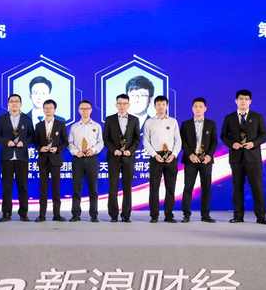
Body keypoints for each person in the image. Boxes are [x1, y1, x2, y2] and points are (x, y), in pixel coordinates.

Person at [220, 89, 266, 225]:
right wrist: (232, 144)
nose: (243, 101)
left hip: (253, 158)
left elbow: (264, 135)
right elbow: (223, 135)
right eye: (241, 99)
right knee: (237, 188)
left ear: (250, 101)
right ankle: (238, 216)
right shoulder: (229, 118)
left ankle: (261, 217)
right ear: (236, 101)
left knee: (257, 188)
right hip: (236, 158)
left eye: (246, 99)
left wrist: (253, 143)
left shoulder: (257, 116)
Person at [0, 94, 34, 222]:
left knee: (23, 187)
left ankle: (23, 213)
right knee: (7, 187)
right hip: (7, 157)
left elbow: (32, 136)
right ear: (8, 104)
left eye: (17, 101)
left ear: (21, 104)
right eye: (12, 101)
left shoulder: (27, 119)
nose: (14, 103)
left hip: (22, 157)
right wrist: (7, 142)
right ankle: (6, 213)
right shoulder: (2, 119)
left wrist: (24, 142)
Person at [143, 95, 181, 223]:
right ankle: (154, 215)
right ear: (154, 106)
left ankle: (169, 215)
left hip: (170, 157)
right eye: (158, 104)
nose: (161, 106)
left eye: (163, 104)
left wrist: (173, 154)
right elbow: (145, 141)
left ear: (167, 106)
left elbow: (178, 140)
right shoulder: (149, 122)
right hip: (156, 157)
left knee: (170, 188)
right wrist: (154, 154)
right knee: (154, 188)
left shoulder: (173, 122)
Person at [103, 94, 140, 222]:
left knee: (127, 188)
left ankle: (126, 214)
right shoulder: (110, 119)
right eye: (120, 103)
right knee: (113, 187)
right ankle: (113, 214)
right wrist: (114, 150)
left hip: (128, 158)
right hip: (114, 158)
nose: (122, 106)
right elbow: (106, 138)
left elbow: (137, 139)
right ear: (116, 105)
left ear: (128, 105)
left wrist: (130, 150)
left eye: (125, 103)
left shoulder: (134, 120)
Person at [179, 97, 217, 223]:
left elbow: (214, 141)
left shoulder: (211, 124)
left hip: (206, 161)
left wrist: (209, 156)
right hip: (191, 160)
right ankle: (186, 215)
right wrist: (190, 154)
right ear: (192, 108)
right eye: (195, 106)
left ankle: (205, 215)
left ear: (205, 108)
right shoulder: (186, 124)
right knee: (188, 188)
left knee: (206, 188)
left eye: (201, 106)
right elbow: (182, 141)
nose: (198, 109)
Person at [68, 100, 104, 222]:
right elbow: (70, 143)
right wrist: (76, 151)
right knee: (76, 189)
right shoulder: (74, 127)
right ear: (79, 110)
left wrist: (93, 150)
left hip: (91, 159)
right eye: (82, 109)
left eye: (87, 108)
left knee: (93, 189)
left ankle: (94, 215)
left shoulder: (96, 126)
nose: (85, 111)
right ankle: (75, 214)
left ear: (91, 110)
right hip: (78, 159)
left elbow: (100, 142)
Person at [34, 99, 69, 222]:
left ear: (55, 109)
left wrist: (57, 148)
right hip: (43, 160)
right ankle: (42, 215)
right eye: (46, 107)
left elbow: (65, 142)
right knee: (43, 189)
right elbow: (36, 142)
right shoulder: (38, 125)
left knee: (56, 188)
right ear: (43, 109)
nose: (48, 109)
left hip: (55, 159)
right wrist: (40, 148)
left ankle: (57, 214)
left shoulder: (60, 124)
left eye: (50, 107)